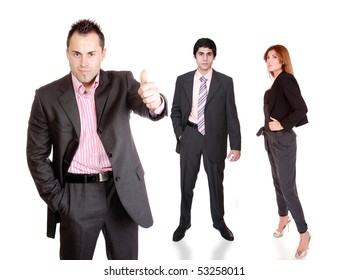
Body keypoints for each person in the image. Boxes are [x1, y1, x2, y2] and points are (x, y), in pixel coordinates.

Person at [26, 19, 167, 260]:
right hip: (75, 196)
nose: (84, 63)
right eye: (77, 54)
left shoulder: (122, 82)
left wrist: (156, 102)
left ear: (103, 53)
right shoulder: (46, 97)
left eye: (91, 53)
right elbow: (36, 155)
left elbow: (146, 105)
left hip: (121, 193)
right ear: (67, 54)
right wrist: (61, 202)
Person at [170, 38, 241, 242]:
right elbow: (175, 110)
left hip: (215, 138)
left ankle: (219, 222)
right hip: (190, 136)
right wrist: (180, 134)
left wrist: (235, 145)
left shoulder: (225, 82)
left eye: (209, 54)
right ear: (195, 56)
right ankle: (184, 223)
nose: (204, 58)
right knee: (186, 184)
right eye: (201, 53)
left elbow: (231, 114)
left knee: (216, 185)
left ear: (214, 57)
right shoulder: (182, 80)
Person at [257, 44, 311, 259]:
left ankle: (304, 233)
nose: (269, 61)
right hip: (270, 140)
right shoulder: (275, 84)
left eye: (274, 57)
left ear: (283, 61)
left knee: (288, 188)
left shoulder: (286, 79)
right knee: (278, 183)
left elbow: (301, 109)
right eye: (267, 57)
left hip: (283, 141)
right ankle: (283, 218)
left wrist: (284, 125)